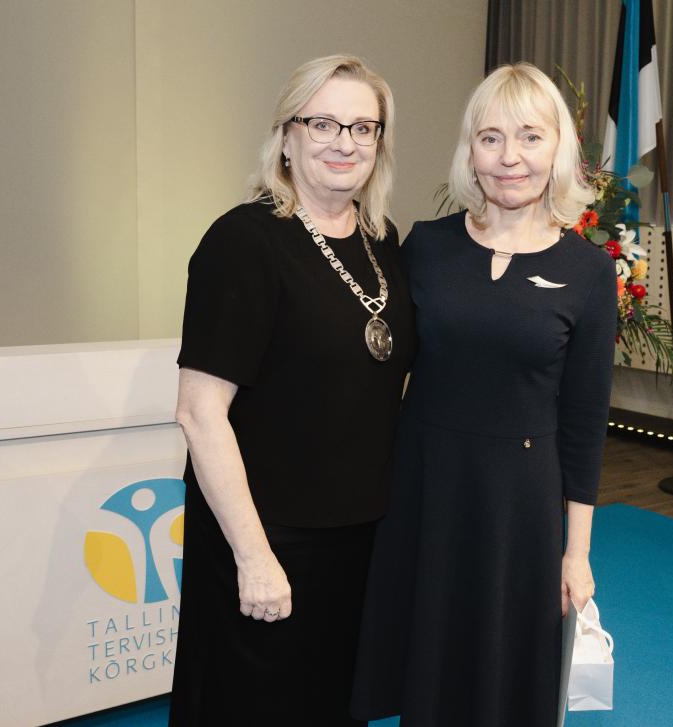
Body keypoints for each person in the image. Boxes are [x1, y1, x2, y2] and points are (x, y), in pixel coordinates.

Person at [351, 62, 616, 726]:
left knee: (504, 674)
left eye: (530, 137)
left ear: (558, 149)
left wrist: (577, 553)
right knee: (428, 661)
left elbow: (585, 422)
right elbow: (374, 366)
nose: (509, 157)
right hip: (425, 489)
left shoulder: (588, 271)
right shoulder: (425, 246)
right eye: (491, 138)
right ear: (470, 150)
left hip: (519, 503)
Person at [169, 54, 413, 726]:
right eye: (323, 123)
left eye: (363, 127)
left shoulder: (383, 241)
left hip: (360, 540)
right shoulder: (244, 242)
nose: (344, 142)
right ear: (286, 136)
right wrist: (254, 556)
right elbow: (199, 413)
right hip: (270, 538)